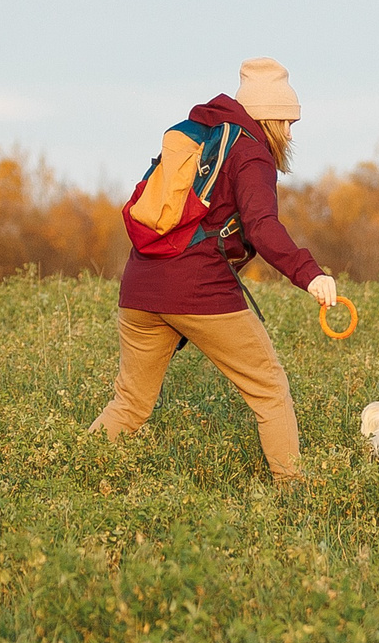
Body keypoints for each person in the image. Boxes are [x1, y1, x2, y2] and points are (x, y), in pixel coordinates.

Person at [88, 57, 342, 484]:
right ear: (269, 118)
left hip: (140, 287)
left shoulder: (202, 134)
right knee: (270, 388)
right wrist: (309, 273)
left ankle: (72, 470)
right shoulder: (250, 152)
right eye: (287, 120)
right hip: (198, 289)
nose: (291, 131)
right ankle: (296, 494)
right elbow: (262, 226)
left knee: (130, 403)